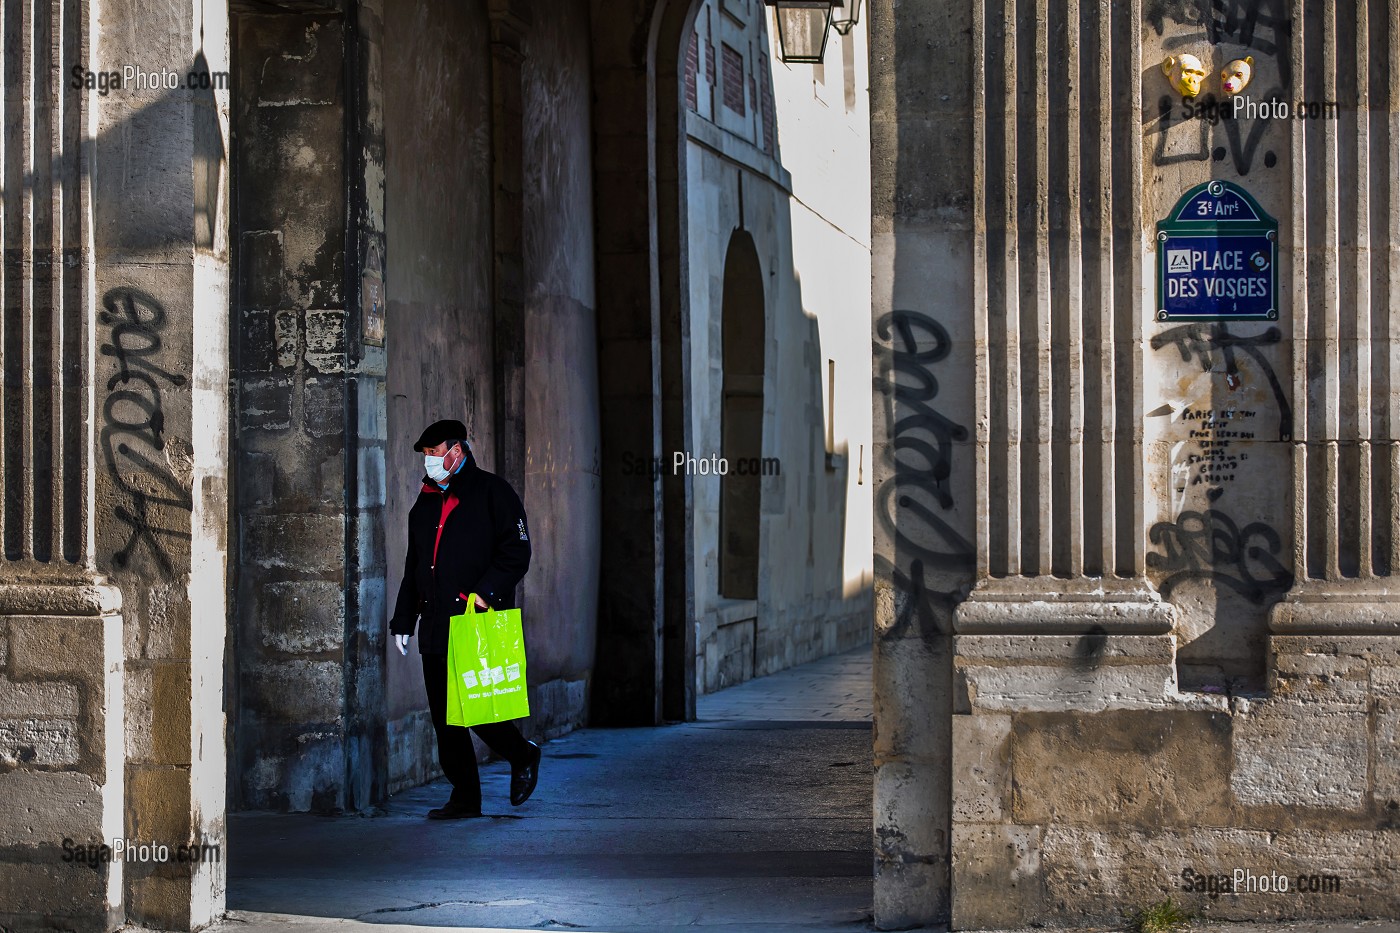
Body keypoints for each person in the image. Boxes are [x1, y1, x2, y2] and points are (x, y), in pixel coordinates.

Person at [389, 419, 542, 819]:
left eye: (435, 453)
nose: (429, 461)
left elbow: (516, 551)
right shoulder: (424, 504)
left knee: (477, 708)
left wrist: (485, 593)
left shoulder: (494, 493)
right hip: (436, 623)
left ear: (457, 451)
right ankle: (464, 797)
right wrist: (404, 620)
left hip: (476, 618)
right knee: (444, 716)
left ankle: (522, 754)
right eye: (425, 455)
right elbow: (415, 566)